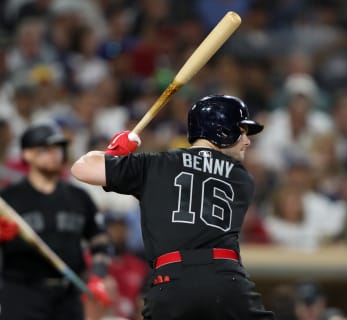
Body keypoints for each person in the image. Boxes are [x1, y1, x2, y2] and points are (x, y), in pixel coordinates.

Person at [71, 95, 275, 319]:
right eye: (242, 131)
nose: (247, 141)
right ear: (222, 131)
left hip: (172, 279)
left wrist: (113, 153)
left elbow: (81, 169)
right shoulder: (242, 178)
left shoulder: (156, 163)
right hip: (227, 279)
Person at [0, 121, 111, 320]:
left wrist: (97, 276)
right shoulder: (8, 200)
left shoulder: (79, 197)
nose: (55, 154)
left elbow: (100, 242)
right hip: (22, 294)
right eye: (45, 149)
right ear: (27, 154)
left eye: (58, 148)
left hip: (68, 294)